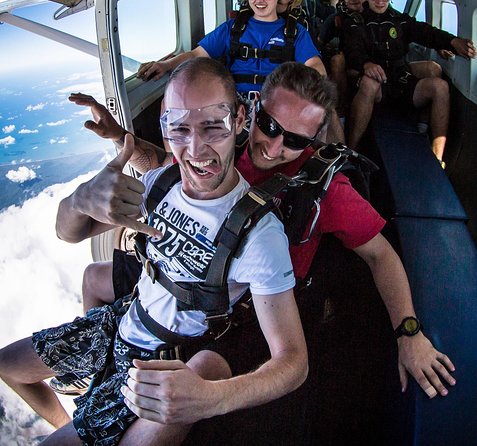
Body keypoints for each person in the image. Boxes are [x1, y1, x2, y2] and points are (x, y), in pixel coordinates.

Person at [68, 62, 456, 410]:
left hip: (254, 306)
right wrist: (120, 137)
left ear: (313, 140)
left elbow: (381, 255)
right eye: (269, 126)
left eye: (294, 141)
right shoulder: (223, 141)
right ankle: (94, 368)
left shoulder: (327, 190)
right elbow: (167, 165)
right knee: (93, 277)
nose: (272, 148)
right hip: (191, 265)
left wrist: (409, 332)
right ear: (251, 110)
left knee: (204, 368)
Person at [0, 58, 308, 446]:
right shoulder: (160, 183)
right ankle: (68, 424)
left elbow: (293, 362)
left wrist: (214, 398)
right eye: (179, 129)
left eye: (213, 125)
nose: (196, 149)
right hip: (122, 319)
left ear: (240, 119)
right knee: (7, 365)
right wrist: (80, 200)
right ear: (165, 131)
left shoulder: (259, 232)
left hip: (161, 357)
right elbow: (68, 233)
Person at [343, 0, 476, 162]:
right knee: (369, 84)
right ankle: (351, 151)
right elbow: (352, 51)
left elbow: (426, 32)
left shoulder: (399, 20)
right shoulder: (355, 22)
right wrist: (366, 64)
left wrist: (452, 42)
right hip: (376, 86)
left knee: (440, 87)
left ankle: (436, 158)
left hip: (401, 81)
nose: (379, 1)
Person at [137, 0, 325, 92]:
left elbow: (316, 66)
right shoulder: (232, 28)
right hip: (233, 102)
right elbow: (197, 54)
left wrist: (297, 92)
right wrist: (166, 65)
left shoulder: (295, 32)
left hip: (277, 102)